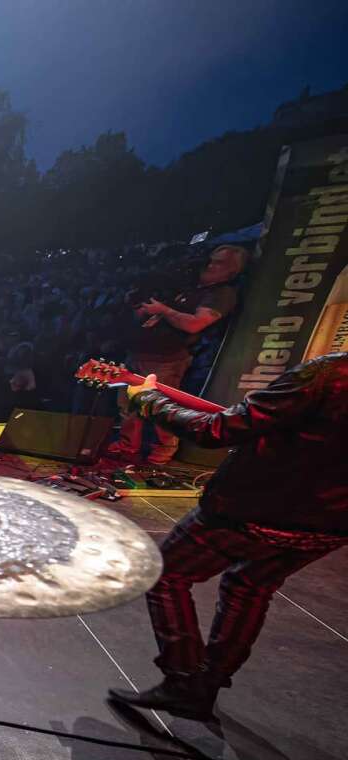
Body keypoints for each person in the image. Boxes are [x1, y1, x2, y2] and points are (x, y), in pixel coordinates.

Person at [108, 352, 348, 722]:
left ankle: (185, 682)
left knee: (166, 574)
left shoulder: (329, 373)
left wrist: (147, 398)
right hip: (331, 524)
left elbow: (213, 432)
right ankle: (211, 680)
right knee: (249, 586)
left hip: (256, 507)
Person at [112, 245, 246, 466]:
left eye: (219, 263)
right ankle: (128, 447)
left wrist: (163, 311)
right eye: (212, 260)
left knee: (158, 407)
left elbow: (195, 324)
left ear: (232, 270)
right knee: (127, 404)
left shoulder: (222, 294)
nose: (211, 265)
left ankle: (162, 453)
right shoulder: (192, 285)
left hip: (168, 358)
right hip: (141, 352)